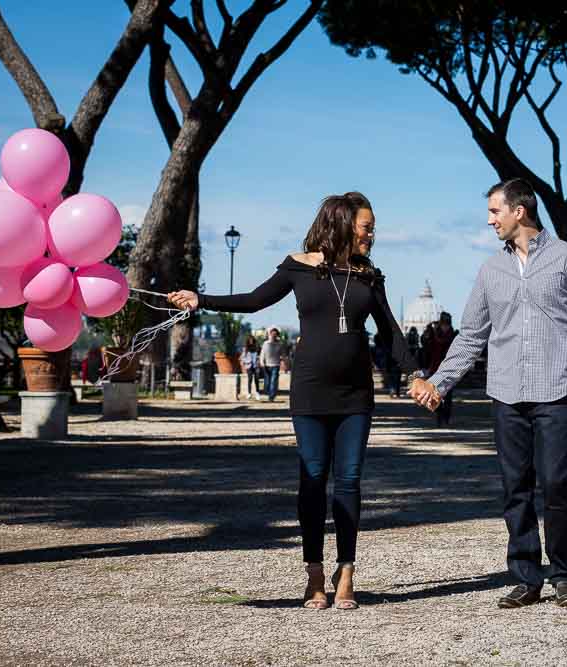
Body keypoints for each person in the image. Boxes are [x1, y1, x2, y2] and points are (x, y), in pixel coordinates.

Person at [168, 192, 422, 611]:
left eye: (372, 227)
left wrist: (416, 375)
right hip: (309, 392)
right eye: (367, 226)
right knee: (313, 479)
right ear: (341, 223)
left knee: (350, 481)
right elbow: (254, 300)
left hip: (356, 394)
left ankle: (347, 573)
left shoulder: (369, 276)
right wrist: (202, 300)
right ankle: (315, 574)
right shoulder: (297, 267)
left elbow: (391, 333)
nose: (372, 235)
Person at [409, 178, 567, 609]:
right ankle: (525, 576)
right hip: (506, 395)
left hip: (558, 391)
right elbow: (470, 337)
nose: (489, 220)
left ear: (520, 211)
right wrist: (438, 384)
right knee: (515, 485)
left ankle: (563, 574)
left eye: (495, 211)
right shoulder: (489, 271)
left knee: (556, 484)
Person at [426, 312, 458, 427]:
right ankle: (440, 417)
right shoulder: (434, 333)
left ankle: (446, 418)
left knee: (448, 397)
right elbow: (427, 347)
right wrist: (429, 330)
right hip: (436, 368)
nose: (445, 327)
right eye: (444, 324)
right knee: (436, 395)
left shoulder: (453, 335)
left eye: (447, 325)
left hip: (449, 369)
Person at [260, 327, 283, 401]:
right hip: (266, 365)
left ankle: (271, 396)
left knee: (273, 381)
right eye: (272, 333)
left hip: (275, 365)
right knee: (267, 382)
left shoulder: (279, 344)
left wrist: (283, 360)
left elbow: (282, 354)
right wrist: (262, 362)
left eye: (275, 334)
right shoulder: (266, 343)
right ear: (270, 334)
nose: (274, 335)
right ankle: (269, 392)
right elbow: (262, 354)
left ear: (277, 335)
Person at [241, 335, 260, 400]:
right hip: (249, 365)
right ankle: (249, 393)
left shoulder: (257, 348)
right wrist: (246, 362)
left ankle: (257, 393)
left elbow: (260, 356)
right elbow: (242, 357)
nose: (251, 341)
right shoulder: (245, 349)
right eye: (250, 340)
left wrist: (258, 361)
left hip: (256, 365)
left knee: (257, 379)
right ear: (248, 341)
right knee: (250, 379)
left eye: (252, 340)